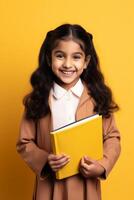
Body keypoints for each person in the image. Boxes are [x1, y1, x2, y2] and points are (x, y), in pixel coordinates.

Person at [16, 23, 121, 200]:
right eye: (60, 56)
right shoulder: (38, 99)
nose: (67, 64)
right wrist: (45, 160)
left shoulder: (98, 97)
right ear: (49, 59)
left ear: (86, 62)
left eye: (76, 57)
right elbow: (24, 143)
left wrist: (102, 165)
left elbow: (112, 137)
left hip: (86, 185)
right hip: (49, 187)